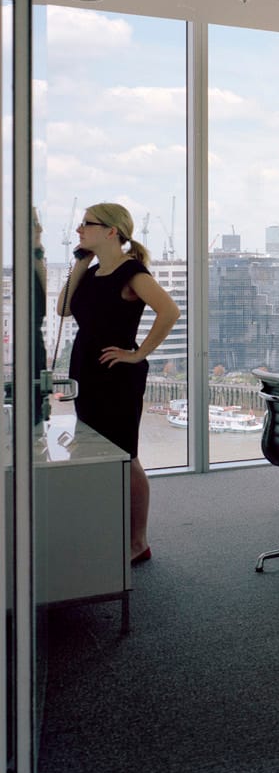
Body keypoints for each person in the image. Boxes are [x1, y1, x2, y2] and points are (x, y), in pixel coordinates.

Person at [57, 202, 180, 564]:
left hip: (117, 376)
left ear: (111, 231)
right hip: (87, 371)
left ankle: (138, 542)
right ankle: (112, 530)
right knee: (100, 452)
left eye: (87, 224)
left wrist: (138, 353)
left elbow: (169, 311)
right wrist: (81, 262)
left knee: (125, 456)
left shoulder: (132, 272)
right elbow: (63, 308)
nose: (79, 229)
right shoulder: (93, 271)